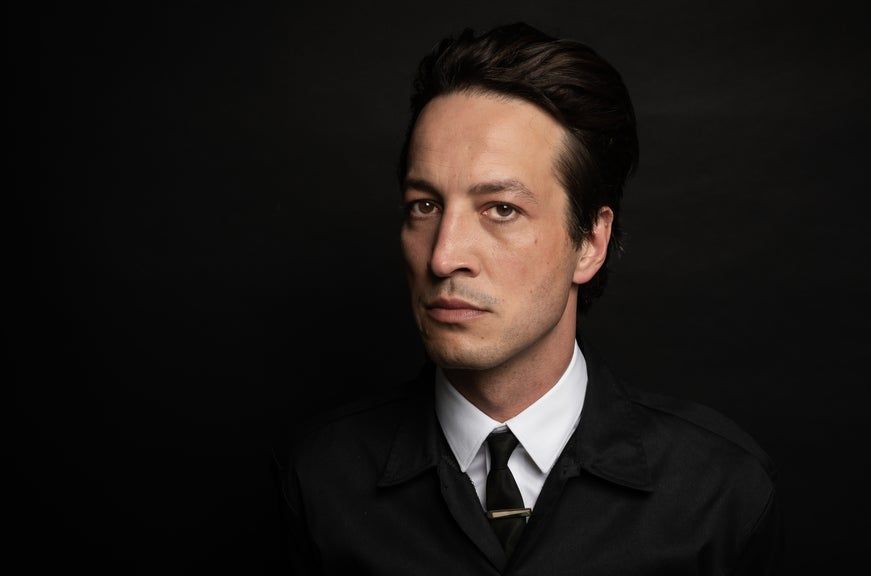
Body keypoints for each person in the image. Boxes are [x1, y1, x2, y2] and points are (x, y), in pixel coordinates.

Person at [274, 21, 782, 575]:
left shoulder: (719, 491)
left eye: (502, 209)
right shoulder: (318, 480)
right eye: (425, 205)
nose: (443, 257)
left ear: (590, 243)